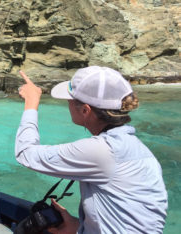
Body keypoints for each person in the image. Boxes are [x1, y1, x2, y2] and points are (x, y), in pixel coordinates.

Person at [15, 66, 167, 233]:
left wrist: (31, 102)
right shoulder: (140, 151)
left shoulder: (103, 151)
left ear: (85, 110)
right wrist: (79, 226)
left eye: (69, 100)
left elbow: (25, 154)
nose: (68, 104)